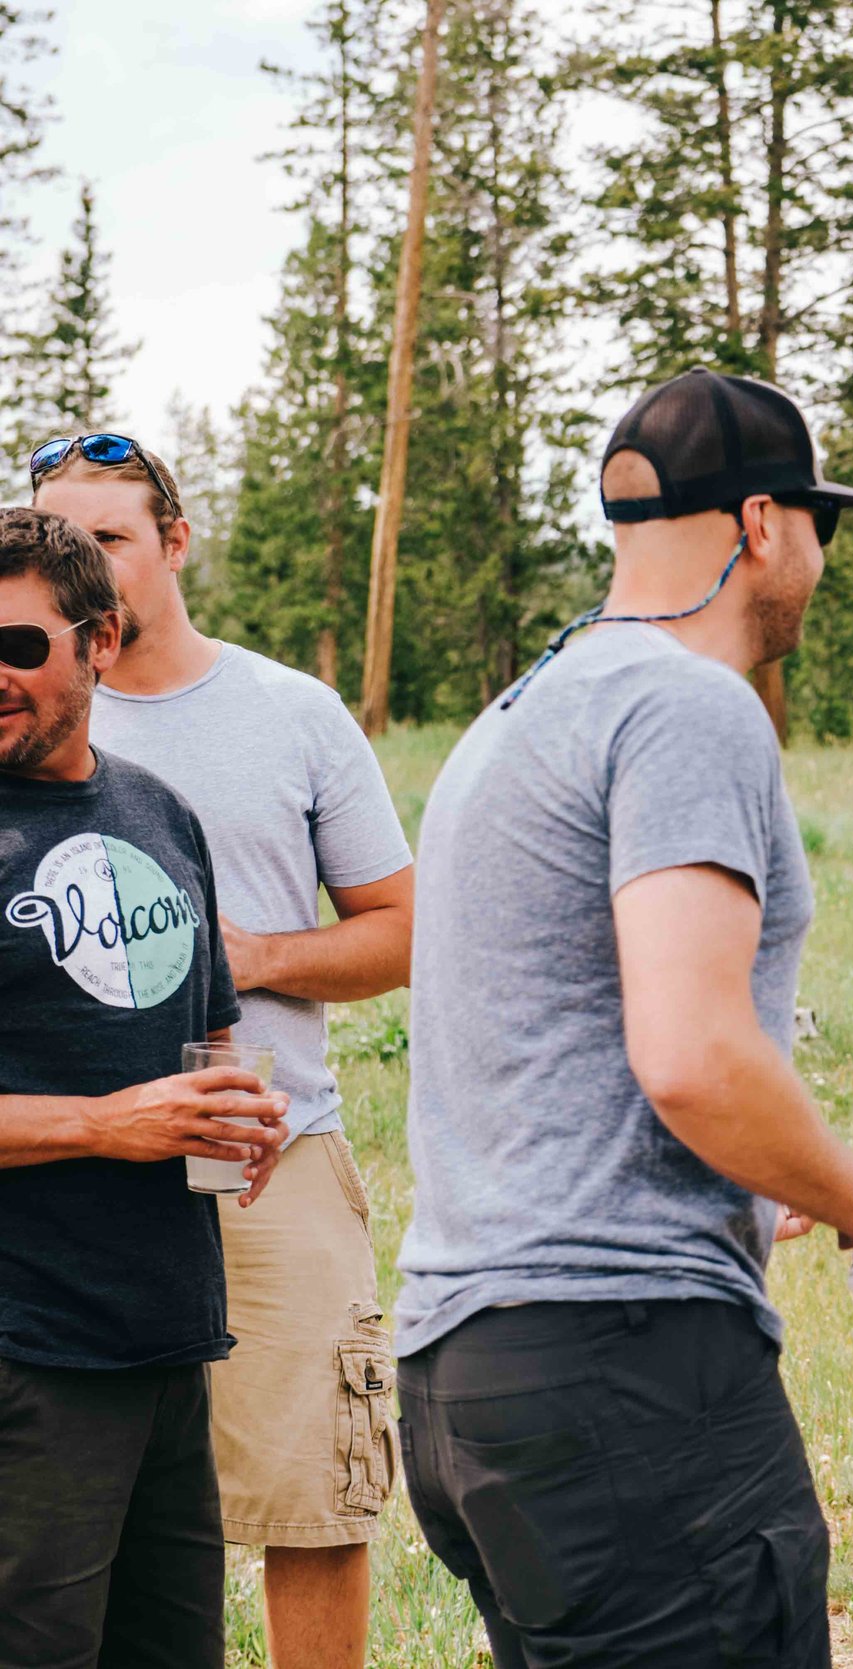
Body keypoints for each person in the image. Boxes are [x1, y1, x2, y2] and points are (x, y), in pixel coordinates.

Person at [393, 369, 853, 1666]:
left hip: (465, 1382)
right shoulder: (688, 703)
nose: (820, 558)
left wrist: (780, 1173)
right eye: (820, 524)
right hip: (627, 1363)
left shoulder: (512, 718)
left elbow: (558, 1051)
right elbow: (693, 1054)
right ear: (761, 523)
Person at [34, 432, 415, 1669]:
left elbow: (404, 929)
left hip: (269, 1155)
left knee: (310, 1495)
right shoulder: (19, 716)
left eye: (107, 543)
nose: (80, 572)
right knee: (75, 1521)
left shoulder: (287, 716)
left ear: (176, 542)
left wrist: (249, 959)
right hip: (62, 1197)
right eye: (56, 544)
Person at [0, 506, 289, 1667]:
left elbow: (207, 1031)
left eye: (22, 647)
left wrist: (238, 1109)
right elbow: (122, 1111)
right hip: (29, 1356)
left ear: (101, 642)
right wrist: (108, 1125)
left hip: (168, 1338)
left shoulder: (157, 811)